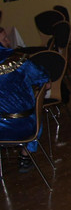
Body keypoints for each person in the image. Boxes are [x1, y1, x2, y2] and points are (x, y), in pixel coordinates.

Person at [0, 43, 51, 174]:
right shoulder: (18, 60)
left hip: (6, 128)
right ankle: (25, 156)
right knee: (30, 113)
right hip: (24, 126)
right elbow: (45, 82)